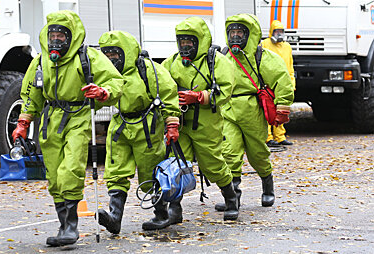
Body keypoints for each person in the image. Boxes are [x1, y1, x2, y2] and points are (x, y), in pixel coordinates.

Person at [12, 10, 124, 247]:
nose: (56, 42)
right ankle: (64, 225)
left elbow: (116, 82)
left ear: (71, 37)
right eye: (53, 36)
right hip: (50, 121)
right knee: (54, 174)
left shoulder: (87, 57)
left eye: (61, 37)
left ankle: (71, 228)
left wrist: (103, 93)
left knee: (70, 169)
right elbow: (32, 94)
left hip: (78, 116)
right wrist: (23, 123)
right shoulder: (41, 62)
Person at [97, 30, 181, 232]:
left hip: (147, 125)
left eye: (115, 55)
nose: (111, 60)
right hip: (121, 123)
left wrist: (171, 124)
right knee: (116, 170)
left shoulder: (149, 70)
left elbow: (169, 93)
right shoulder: (108, 74)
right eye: (107, 55)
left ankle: (161, 214)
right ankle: (114, 217)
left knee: (150, 171)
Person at [161, 17, 240, 221]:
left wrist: (198, 97)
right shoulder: (172, 63)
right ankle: (174, 210)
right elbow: (161, 86)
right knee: (177, 164)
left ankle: (231, 198)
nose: (185, 46)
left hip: (207, 123)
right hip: (181, 122)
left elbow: (225, 91)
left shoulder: (216, 61)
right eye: (182, 42)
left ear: (200, 41)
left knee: (213, 164)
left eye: (189, 42)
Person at [216, 13, 294, 213]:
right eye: (231, 32)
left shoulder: (263, 57)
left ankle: (267, 184)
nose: (234, 37)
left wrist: (283, 106)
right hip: (228, 109)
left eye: (239, 33)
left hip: (252, 110)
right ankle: (233, 197)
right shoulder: (223, 56)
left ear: (249, 35)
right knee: (229, 152)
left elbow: (281, 80)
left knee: (257, 153)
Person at [261, 20, 296, 146]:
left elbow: (290, 66)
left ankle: (280, 137)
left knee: (281, 110)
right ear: (271, 32)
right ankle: (268, 137)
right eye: (277, 31)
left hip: (283, 83)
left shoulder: (287, 47)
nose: (279, 34)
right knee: (268, 110)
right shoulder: (264, 44)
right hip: (269, 82)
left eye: (281, 31)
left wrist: (292, 83)